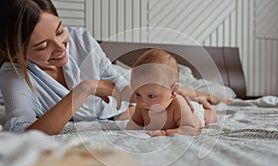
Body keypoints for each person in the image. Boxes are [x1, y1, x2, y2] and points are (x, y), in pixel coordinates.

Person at [0, 0, 216, 135]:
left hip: (123, 97)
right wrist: (84, 89)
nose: (60, 48)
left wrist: (168, 96)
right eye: (42, 46)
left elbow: (122, 83)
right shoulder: (14, 76)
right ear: (16, 51)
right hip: (114, 111)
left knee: (158, 84)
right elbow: (24, 133)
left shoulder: (81, 40)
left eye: (59, 32)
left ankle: (198, 94)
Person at [126, 49, 216, 137]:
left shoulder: (178, 105)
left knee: (211, 118)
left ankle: (205, 103)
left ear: (173, 91)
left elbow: (191, 129)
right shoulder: (142, 105)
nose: (142, 102)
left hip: (194, 114)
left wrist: (165, 133)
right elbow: (136, 123)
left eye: (151, 96)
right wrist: (131, 127)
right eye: (138, 94)